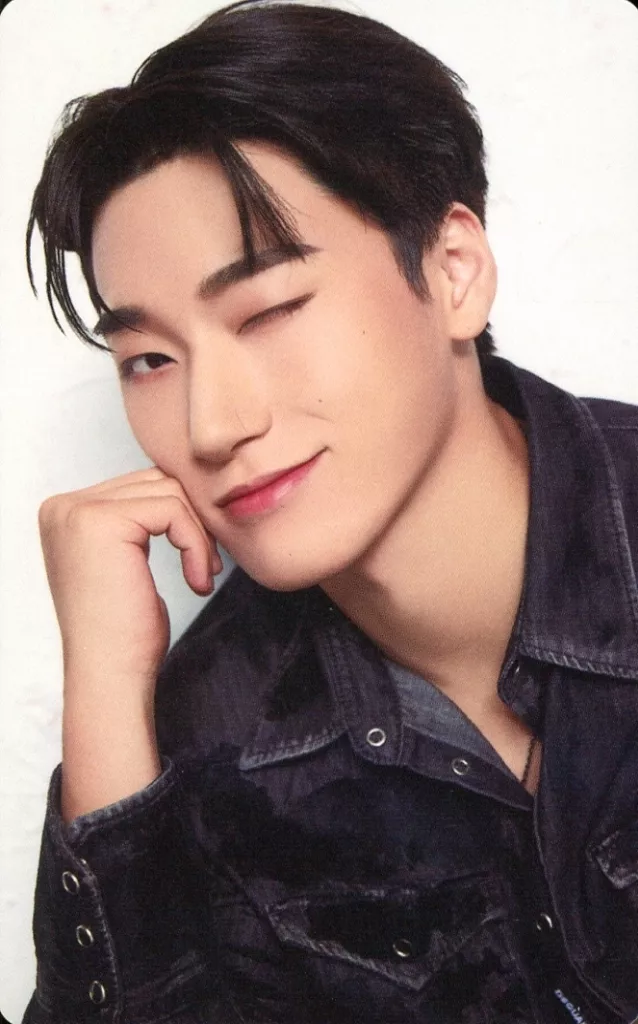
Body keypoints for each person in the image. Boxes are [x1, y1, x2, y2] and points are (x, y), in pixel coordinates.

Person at [20, 0, 638, 1021]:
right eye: (150, 360)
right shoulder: (207, 737)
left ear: (453, 272)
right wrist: (105, 700)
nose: (211, 425)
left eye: (268, 310)